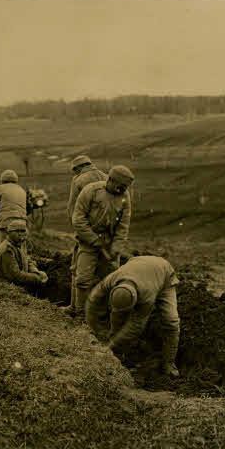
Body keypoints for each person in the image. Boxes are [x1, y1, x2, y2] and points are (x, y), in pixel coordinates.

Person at [86, 255, 180, 377]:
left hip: (164, 274)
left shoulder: (147, 296)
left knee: (171, 321)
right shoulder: (111, 279)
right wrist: (95, 328)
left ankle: (169, 362)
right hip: (137, 263)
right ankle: (117, 350)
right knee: (118, 315)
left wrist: (110, 345)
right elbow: (91, 302)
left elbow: (136, 325)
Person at [69, 165, 134, 318]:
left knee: (110, 281)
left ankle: (103, 315)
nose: (122, 190)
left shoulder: (125, 197)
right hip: (88, 242)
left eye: (125, 188)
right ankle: (80, 315)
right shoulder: (91, 191)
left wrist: (115, 248)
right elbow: (78, 220)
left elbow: (123, 226)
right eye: (120, 187)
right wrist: (94, 240)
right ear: (110, 180)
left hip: (110, 244)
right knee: (83, 279)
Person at [62, 155, 108, 315]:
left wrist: (78, 230)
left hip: (86, 235)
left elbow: (72, 209)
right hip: (107, 236)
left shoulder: (79, 180)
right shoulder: (107, 177)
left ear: (77, 169)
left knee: (78, 270)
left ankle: (76, 308)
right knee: (105, 274)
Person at [0, 220, 48, 287]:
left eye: (23, 231)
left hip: (17, 282)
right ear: (9, 232)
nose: (20, 234)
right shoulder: (7, 250)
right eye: (17, 231)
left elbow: (28, 261)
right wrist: (37, 278)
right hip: (5, 285)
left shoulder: (18, 244)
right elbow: (15, 276)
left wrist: (36, 272)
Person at [0, 169, 27, 246]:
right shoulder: (22, 190)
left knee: (3, 246)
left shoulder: (1, 188)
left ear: (2, 179)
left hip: (6, 223)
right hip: (22, 223)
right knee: (21, 247)